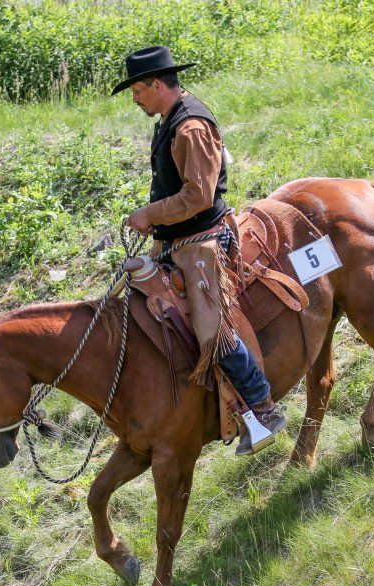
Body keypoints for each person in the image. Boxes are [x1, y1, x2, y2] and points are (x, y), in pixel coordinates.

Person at [112, 45, 286, 455]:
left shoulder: (190, 127)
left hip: (204, 242)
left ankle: (262, 406)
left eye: (137, 90)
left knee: (211, 331)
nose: (135, 99)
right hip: (176, 239)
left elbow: (199, 195)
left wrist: (151, 212)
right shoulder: (168, 120)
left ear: (156, 85)